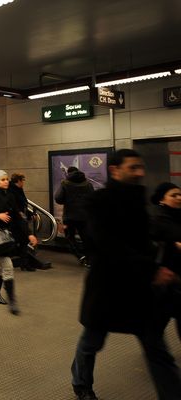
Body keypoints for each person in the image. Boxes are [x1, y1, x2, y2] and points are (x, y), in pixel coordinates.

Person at [70, 149, 181, 400]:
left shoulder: (137, 201)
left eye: (140, 167)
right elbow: (108, 244)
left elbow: (142, 241)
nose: (140, 172)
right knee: (92, 342)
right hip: (107, 286)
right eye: (133, 168)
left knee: (156, 347)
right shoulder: (97, 202)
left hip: (139, 287)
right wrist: (153, 268)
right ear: (115, 170)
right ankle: (81, 384)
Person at [0, 170, 38, 315]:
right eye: (3, 179)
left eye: (7, 179)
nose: (6, 181)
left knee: (0, 265)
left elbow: (18, 217)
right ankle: (12, 301)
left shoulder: (10, 196)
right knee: (8, 266)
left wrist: (29, 234)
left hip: (9, 237)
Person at [149, 182, 181, 341]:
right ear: (162, 199)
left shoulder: (178, 216)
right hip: (166, 275)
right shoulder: (159, 219)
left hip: (176, 275)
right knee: (161, 315)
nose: (179, 198)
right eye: (173, 195)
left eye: (180, 194)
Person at [55, 166, 94, 267]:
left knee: (70, 238)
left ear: (68, 173)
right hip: (84, 217)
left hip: (70, 217)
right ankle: (89, 260)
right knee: (86, 238)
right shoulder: (88, 183)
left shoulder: (65, 183)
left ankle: (80, 256)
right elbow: (93, 198)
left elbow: (58, 198)